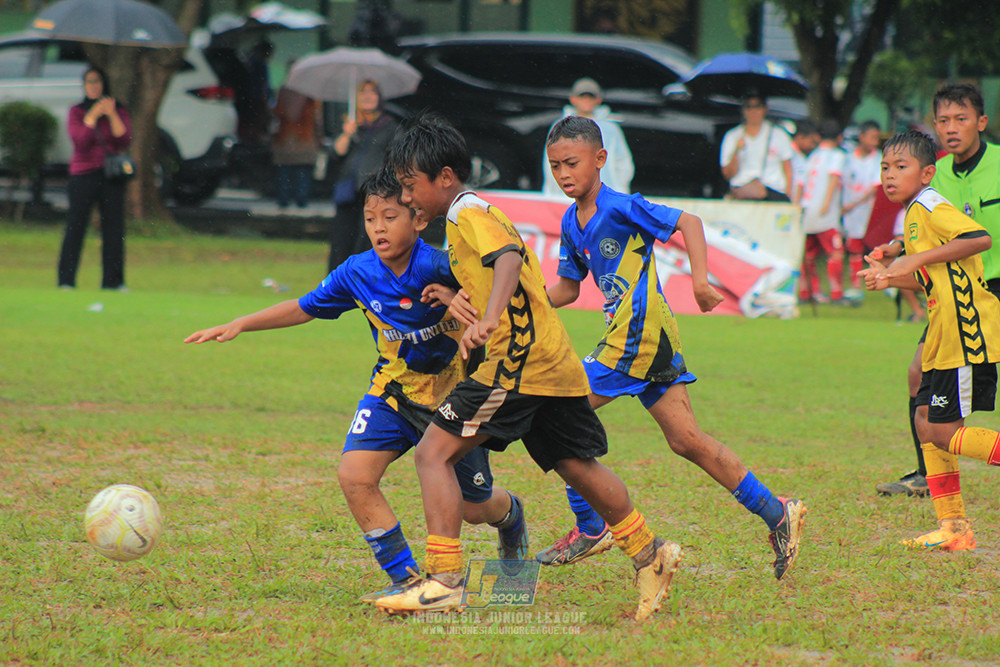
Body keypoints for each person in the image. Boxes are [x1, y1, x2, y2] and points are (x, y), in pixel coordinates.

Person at [374, 113, 682, 621]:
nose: (406, 199)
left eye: (411, 187)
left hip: (516, 365)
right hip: (552, 362)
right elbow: (504, 274)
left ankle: (445, 581)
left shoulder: (468, 211)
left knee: (433, 453)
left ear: (445, 178)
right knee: (575, 465)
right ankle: (651, 555)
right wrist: (461, 299)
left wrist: (490, 319)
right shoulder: (462, 218)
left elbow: (510, 260)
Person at [184, 167, 528, 601]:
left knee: (477, 508)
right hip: (393, 394)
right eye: (370, 218)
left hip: (451, 400)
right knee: (355, 475)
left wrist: (465, 297)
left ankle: (511, 515)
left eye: (390, 216)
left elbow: (497, 284)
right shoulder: (357, 272)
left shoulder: (441, 264)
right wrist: (240, 323)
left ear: (418, 220)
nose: (378, 228)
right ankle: (406, 578)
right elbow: (304, 306)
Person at [531, 115, 805, 580]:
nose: (562, 175)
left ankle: (591, 525)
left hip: (639, 337)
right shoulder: (570, 220)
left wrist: (700, 283)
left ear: (600, 160)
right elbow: (567, 288)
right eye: (555, 166)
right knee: (687, 441)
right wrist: (522, 300)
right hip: (643, 342)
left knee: (557, 411)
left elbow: (690, 223)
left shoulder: (621, 206)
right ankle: (778, 512)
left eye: (571, 164)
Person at [859, 129, 1000, 550]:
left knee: (941, 431)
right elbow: (936, 281)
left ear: (927, 174)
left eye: (900, 167)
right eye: (885, 166)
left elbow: (980, 238)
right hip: (941, 332)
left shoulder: (932, 204)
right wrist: (888, 276)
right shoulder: (912, 215)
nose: (889, 175)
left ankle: (955, 526)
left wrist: (913, 257)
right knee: (925, 420)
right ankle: (953, 529)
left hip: (965, 331)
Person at [57, 66, 132, 291]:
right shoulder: (77, 111)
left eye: (97, 81)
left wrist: (110, 113)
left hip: (110, 175)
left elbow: (124, 138)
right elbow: (80, 140)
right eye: (89, 82)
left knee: (113, 229)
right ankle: (66, 280)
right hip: (83, 174)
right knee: (76, 226)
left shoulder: (117, 109)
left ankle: (113, 281)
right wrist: (93, 115)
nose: (93, 86)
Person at [328, 79, 398, 272]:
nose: (368, 96)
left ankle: (363, 279)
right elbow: (336, 154)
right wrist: (346, 133)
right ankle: (337, 285)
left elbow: (395, 157)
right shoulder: (349, 123)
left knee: (367, 238)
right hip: (348, 190)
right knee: (342, 240)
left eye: (372, 92)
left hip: (373, 191)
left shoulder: (388, 127)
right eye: (363, 92)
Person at [541, 77, 634, 197]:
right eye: (582, 97)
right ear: (573, 99)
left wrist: (619, 191)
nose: (586, 101)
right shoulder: (560, 127)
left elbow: (623, 163)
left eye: (591, 97)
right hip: (568, 198)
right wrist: (552, 194)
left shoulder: (610, 129)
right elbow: (550, 164)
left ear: (598, 100)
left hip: (604, 197)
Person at [797, 119, 846, 304]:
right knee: (835, 253)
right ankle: (836, 293)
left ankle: (807, 293)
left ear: (818, 137)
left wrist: (797, 205)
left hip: (807, 208)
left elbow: (801, 183)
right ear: (839, 138)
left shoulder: (812, 156)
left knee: (808, 254)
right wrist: (826, 204)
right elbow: (834, 178)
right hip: (825, 213)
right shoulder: (837, 155)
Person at [719, 92, 794, 201]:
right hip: (742, 193)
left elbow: (788, 168)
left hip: (773, 192)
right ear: (743, 111)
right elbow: (728, 174)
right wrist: (736, 150)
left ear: (765, 109)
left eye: (757, 106)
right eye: (748, 107)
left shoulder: (778, 134)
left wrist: (788, 194)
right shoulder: (732, 136)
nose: (753, 111)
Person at [841, 121, 883, 301]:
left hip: (869, 209)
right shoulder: (848, 159)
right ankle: (855, 284)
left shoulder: (878, 158)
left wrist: (853, 204)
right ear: (862, 137)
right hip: (851, 212)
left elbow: (875, 187)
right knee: (854, 248)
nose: (875, 142)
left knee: (877, 248)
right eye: (872, 138)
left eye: (877, 138)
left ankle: (881, 281)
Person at [271, 67, 323, 212]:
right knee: (302, 172)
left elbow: (277, 113)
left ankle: (283, 201)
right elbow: (317, 118)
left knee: (284, 171)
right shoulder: (310, 93)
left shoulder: (283, 91)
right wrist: (319, 137)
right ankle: (301, 202)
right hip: (305, 138)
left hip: (285, 137)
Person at [790, 119, 820, 204]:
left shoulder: (802, 156)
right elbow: (799, 183)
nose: (813, 146)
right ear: (800, 137)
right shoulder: (791, 155)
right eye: (811, 142)